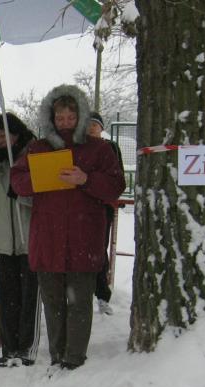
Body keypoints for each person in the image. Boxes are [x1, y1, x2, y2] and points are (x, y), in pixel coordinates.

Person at [10, 85, 125, 371]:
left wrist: (86, 179)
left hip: (84, 239)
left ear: (82, 117)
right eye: (59, 117)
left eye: (71, 117)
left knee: (79, 302)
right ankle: (57, 354)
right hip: (48, 238)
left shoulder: (100, 149)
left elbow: (115, 186)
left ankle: (74, 357)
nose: (65, 123)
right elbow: (17, 181)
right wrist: (38, 180)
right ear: (51, 119)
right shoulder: (38, 148)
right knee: (53, 302)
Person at [0, 112, 40, 366]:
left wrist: (22, 193)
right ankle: (9, 347)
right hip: (5, 240)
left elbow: (42, 194)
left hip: (29, 239)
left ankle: (27, 347)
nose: (1, 141)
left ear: (17, 133)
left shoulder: (33, 153)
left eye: (4, 135)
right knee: (9, 296)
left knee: (28, 297)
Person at [87, 111, 125, 316]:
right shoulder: (78, 148)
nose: (91, 128)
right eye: (88, 124)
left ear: (101, 128)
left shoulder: (110, 147)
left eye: (95, 124)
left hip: (102, 207)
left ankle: (102, 295)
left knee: (99, 250)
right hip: (80, 208)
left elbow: (116, 178)